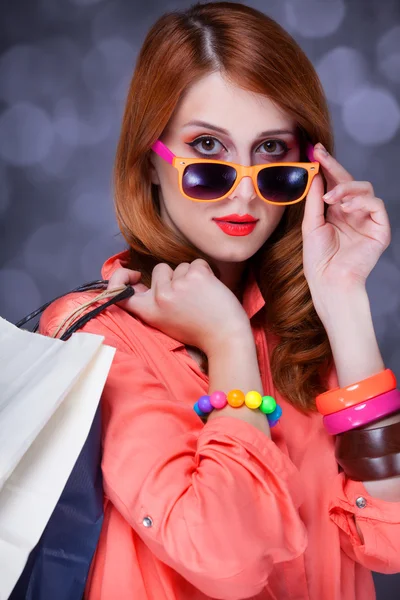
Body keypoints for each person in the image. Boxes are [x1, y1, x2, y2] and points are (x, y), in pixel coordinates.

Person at [39, 2, 400, 599]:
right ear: (152, 163)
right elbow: (223, 558)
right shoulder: (95, 334)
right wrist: (230, 343)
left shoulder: (303, 324)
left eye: (270, 154)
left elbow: (389, 543)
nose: (244, 194)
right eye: (208, 149)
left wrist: (345, 303)